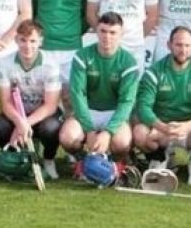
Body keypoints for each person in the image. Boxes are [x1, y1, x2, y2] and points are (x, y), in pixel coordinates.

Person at [134, 26, 191, 186]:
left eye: (187, 45)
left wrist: (189, 125)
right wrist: (161, 126)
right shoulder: (154, 72)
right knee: (140, 133)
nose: (183, 50)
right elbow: (143, 107)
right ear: (169, 45)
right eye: (178, 45)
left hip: (189, 132)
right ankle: (161, 156)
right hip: (162, 131)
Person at [59, 12, 139, 168]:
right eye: (103, 31)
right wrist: (89, 130)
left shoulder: (129, 61)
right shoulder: (82, 56)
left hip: (113, 112)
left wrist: (108, 132)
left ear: (121, 34)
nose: (107, 37)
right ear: (96, 31)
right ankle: (83, 163)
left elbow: (126, 102)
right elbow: (78, 94)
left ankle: (116, 165)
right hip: (88, 110)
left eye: (112, 32)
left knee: (122, 142)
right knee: (68, 137)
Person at [0, 20, 63, 180]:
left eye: (33, 41)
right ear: (16, 40)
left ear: (40, 41)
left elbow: (51, 105)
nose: (27, 46)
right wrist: (19, 121)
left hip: (42, 114)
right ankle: (16, 159)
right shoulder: (4, 63)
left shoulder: (51, 64)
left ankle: (49, 159)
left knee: (51, 128)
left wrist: (25, 124)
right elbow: (5, 102)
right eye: (23, 40)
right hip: (17, 112)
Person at [29, 0, 89, 98]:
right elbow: (31, 14)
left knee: (71, 97)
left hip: (71, 47)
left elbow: (87, 15)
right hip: (44, 47)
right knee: (42, 96)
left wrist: (74, 31)